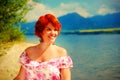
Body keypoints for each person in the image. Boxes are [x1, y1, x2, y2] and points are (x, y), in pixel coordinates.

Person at [14, 14, 73, 80]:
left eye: (55, 29)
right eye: (49, 29)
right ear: (41, 31)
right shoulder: (29, 51)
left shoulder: (61, 53)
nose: (53, 33)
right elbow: (20, 78)